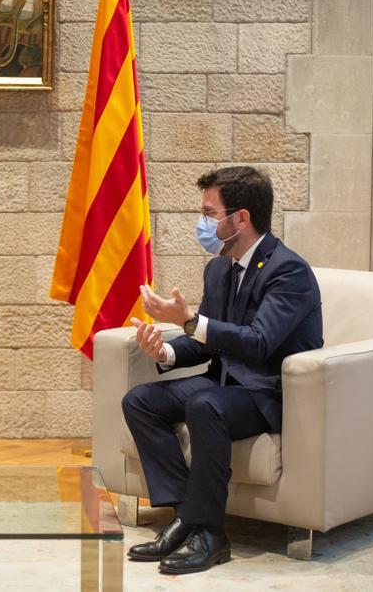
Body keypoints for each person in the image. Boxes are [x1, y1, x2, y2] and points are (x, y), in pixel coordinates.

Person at [122, 165, 323, 575]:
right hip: (226, 382)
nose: (203, 223)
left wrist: (191, 321)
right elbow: (210, 340)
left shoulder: (289, 271)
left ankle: (212, 536)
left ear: (241, 218)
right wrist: (165, 352)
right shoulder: (219, 268)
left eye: (210, 213)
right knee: (140, 401)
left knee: (204, 404)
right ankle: (187, 517)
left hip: (268, 392)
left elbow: (259, 342)